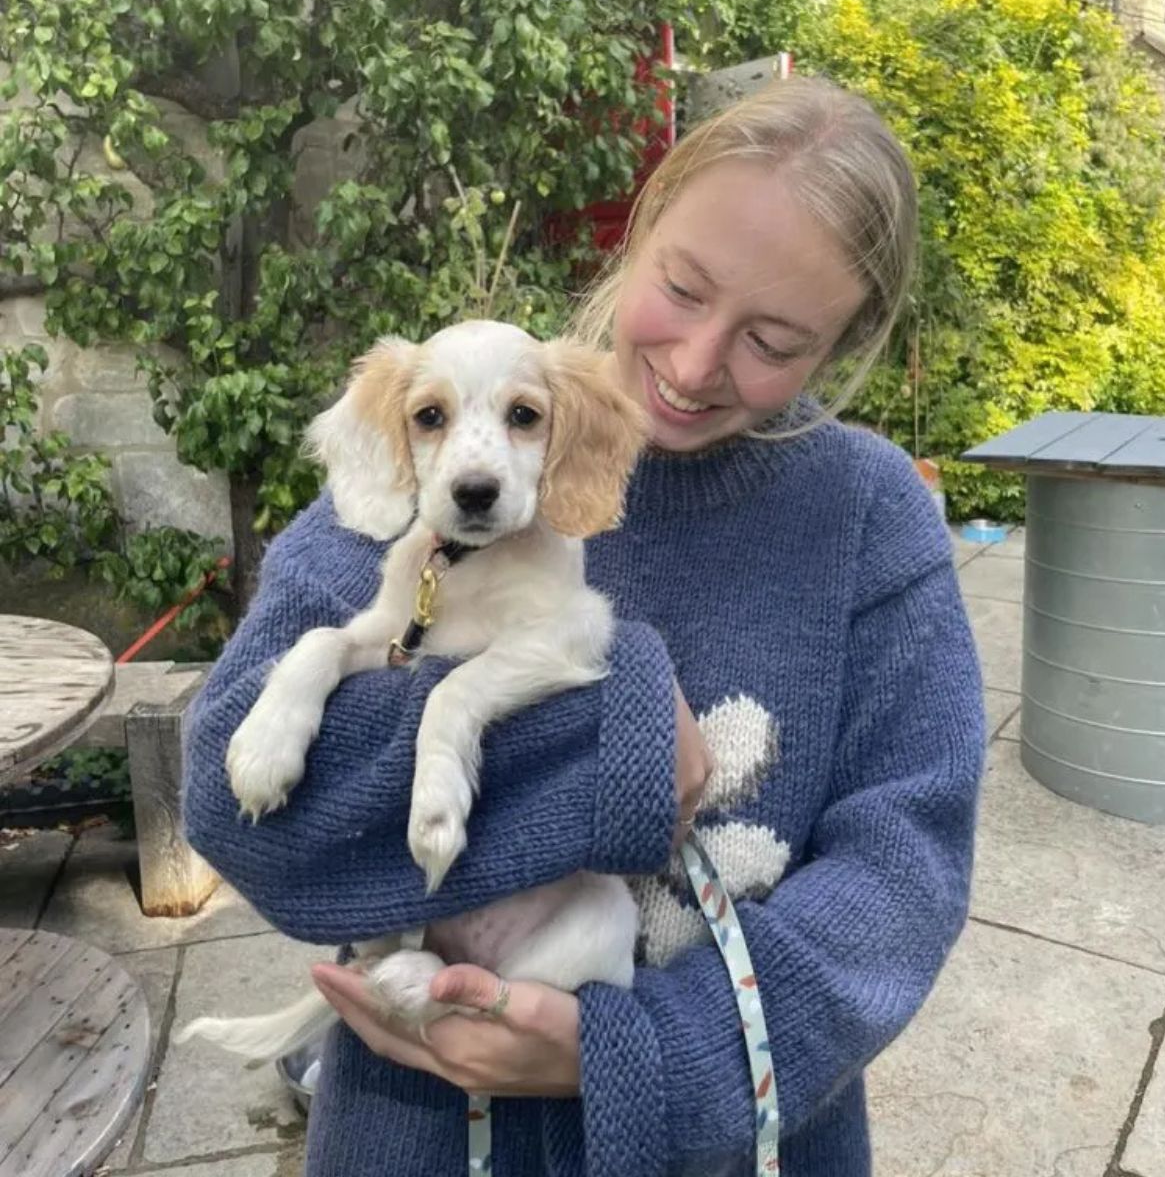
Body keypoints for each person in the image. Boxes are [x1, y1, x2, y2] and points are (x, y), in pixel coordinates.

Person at [183, 74, 986, 1177]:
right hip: (418, 1134)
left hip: (737, 1138)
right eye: (685, 288)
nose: (699, 366)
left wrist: (636, 1053)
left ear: (841, 348)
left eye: (776, 340)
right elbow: (229, 803)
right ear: (639, 230)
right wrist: (614, 747)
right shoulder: (437, 448)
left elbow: (905, 872)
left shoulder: (870, 513)